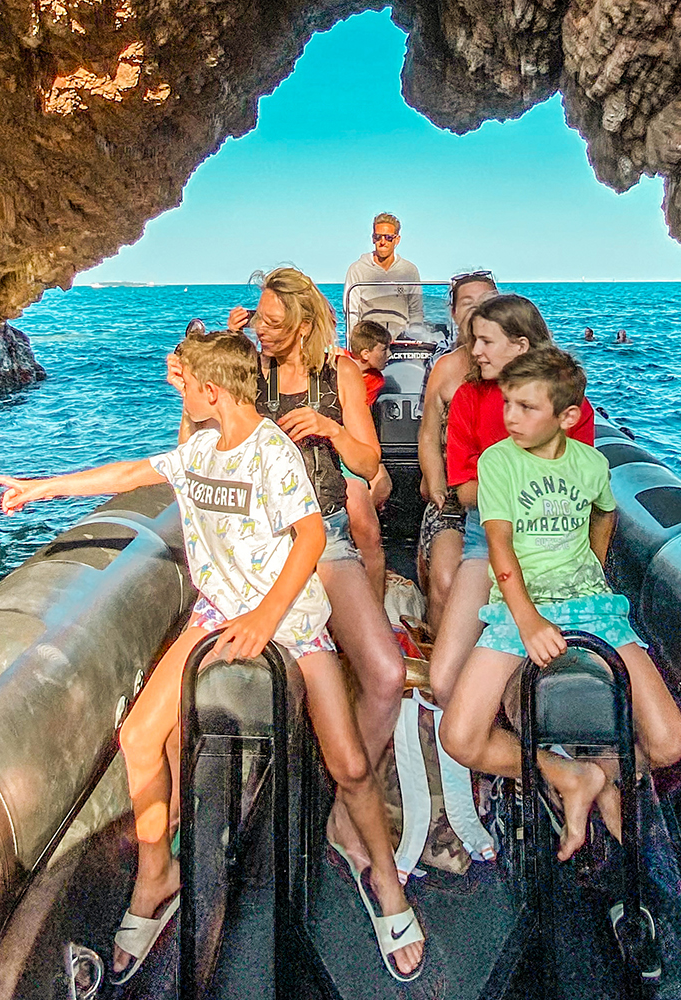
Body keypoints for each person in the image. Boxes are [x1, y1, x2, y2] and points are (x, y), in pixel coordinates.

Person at [0, 331, 424, 982]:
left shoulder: (271, 452)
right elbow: (131, 474)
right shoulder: (201, 450)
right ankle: (156, 870)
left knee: (351, 763)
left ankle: (387, 886)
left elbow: (310, 539)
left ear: (213, 392)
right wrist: (43, 487)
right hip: (219, 613)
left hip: (291, 621)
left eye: (188, 384)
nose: (181, 391)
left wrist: (266, 618)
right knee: (140, 735)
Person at [437, 348, 681, 860]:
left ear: (567, 416)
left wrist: (591, 570)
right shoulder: (498, 462)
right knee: (459, 737)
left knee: (669, 745)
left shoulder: (591, 463)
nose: (510, 417)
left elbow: (604, 515)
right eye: (508, 403)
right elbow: (500, 548)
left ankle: (600, 778)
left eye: (526, 407)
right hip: (517, 608)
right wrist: (528, 622)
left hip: (591, 607)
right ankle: (566, 774)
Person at [225, 268, 414, 904]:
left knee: (386, 674)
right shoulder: (249, 372)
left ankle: (345, 802)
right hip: (266, 543)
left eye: (275, 323)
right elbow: (207, 441)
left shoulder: (338, 374)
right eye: (259, 319)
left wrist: (332, 430)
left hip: (327, 535)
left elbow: (368, 462)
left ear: (304, 323)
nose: (264, 331)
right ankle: (339, 792)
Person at [429, 294, 598, 709]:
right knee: (444, 679)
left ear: (520, 346)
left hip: (554, 549)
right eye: (474, 340)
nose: (475, 351)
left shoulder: (569, 408)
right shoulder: (469, 398)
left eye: (485, 341)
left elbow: (586, 491)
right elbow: (466, 491)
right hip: (485, 543)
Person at [416, 271, 498, 632]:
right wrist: (435, 483)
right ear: (453, 314)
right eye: (468, 303)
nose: (479, 310)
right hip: (452, 493)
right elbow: (429, 434)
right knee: (446, 578)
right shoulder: (447, 368)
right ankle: (438, 657)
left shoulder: (522, 372)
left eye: (487, 302)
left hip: (508, 496)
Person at [342, 319, 394, 604]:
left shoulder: (376, 379)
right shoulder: (338, 366)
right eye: (383, 350)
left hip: (359, 442)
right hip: (343, 445)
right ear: (364, 354)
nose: (389, 355)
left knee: (382, 486)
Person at [343, 212, 424, 335]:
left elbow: (416, 311)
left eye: (388, 238)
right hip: (369, 340)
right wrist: (356, 342)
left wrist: (416, 337)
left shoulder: (410, 270)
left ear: (397, 240)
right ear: (372, 239)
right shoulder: (356, 269)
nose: (382, 242)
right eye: (378, 237)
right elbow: (351, 313)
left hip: (402, 340)